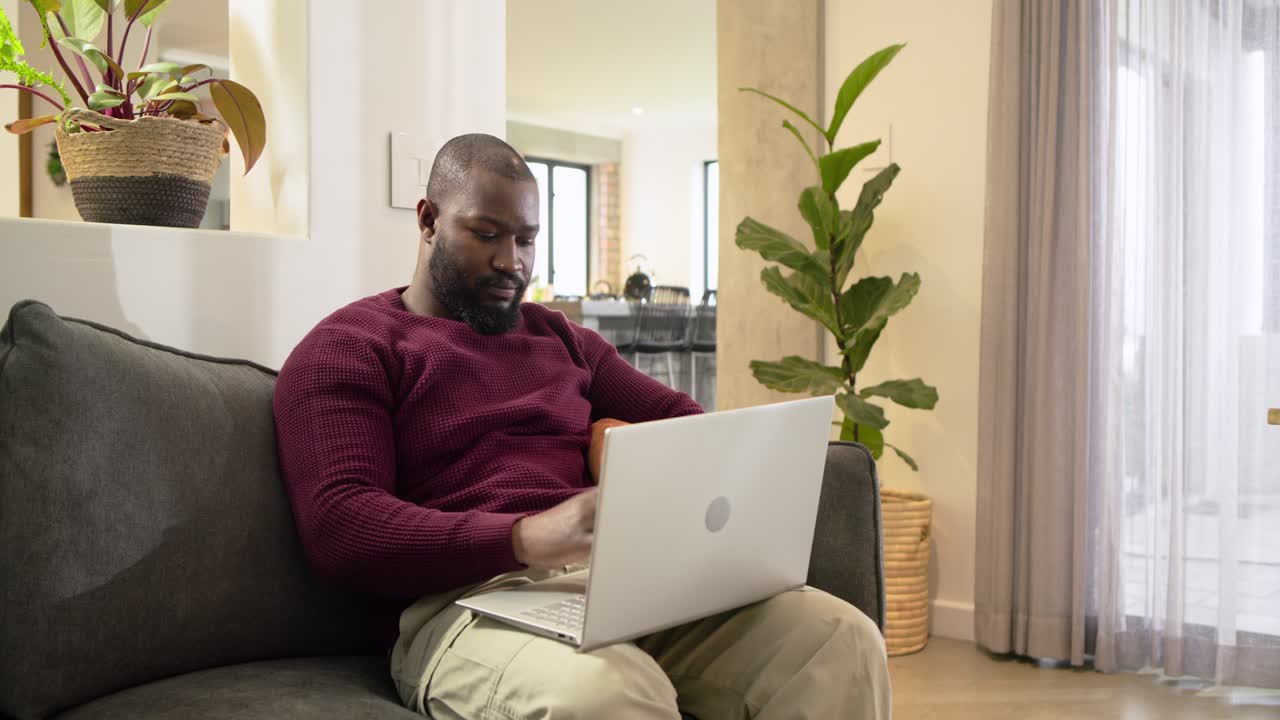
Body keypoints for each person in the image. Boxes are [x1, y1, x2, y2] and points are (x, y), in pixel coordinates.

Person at [272, 133, 890, 719]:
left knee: (837, 639)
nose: (511, 262)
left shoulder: (561, 339)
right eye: (486, 234)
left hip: (613, 588)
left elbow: (687, 427)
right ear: (429, 220)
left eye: (527, 240)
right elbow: (341, 525)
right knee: (609, 690)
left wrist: (611, 442)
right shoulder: (350, 348)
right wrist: (522, 537)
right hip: (464, 606)